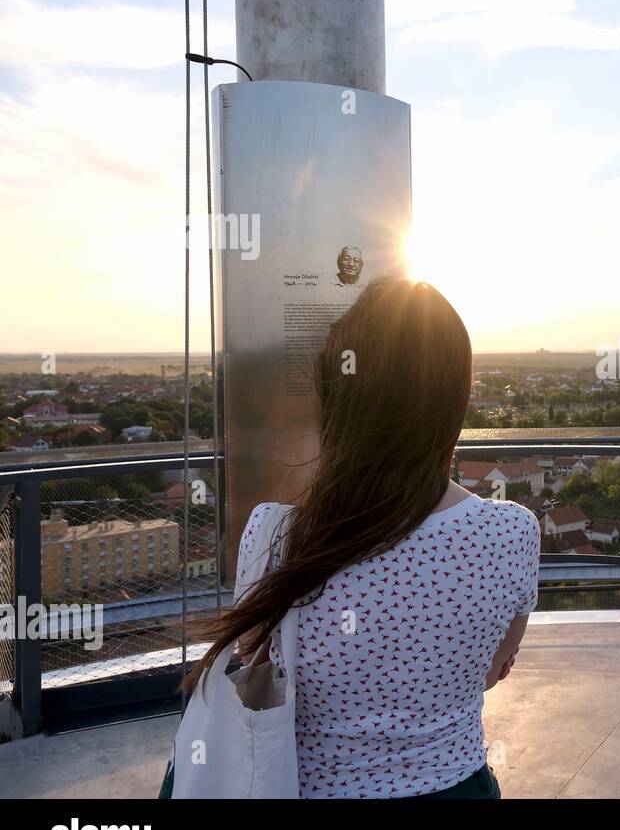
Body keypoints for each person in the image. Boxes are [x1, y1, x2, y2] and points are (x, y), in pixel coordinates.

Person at [181, 277, 540, 799]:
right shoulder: (511, 532)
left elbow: (260, 672)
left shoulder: (274, 533)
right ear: (455, 397)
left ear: (335, 392)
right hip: (456, 788)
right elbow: (489, 673)